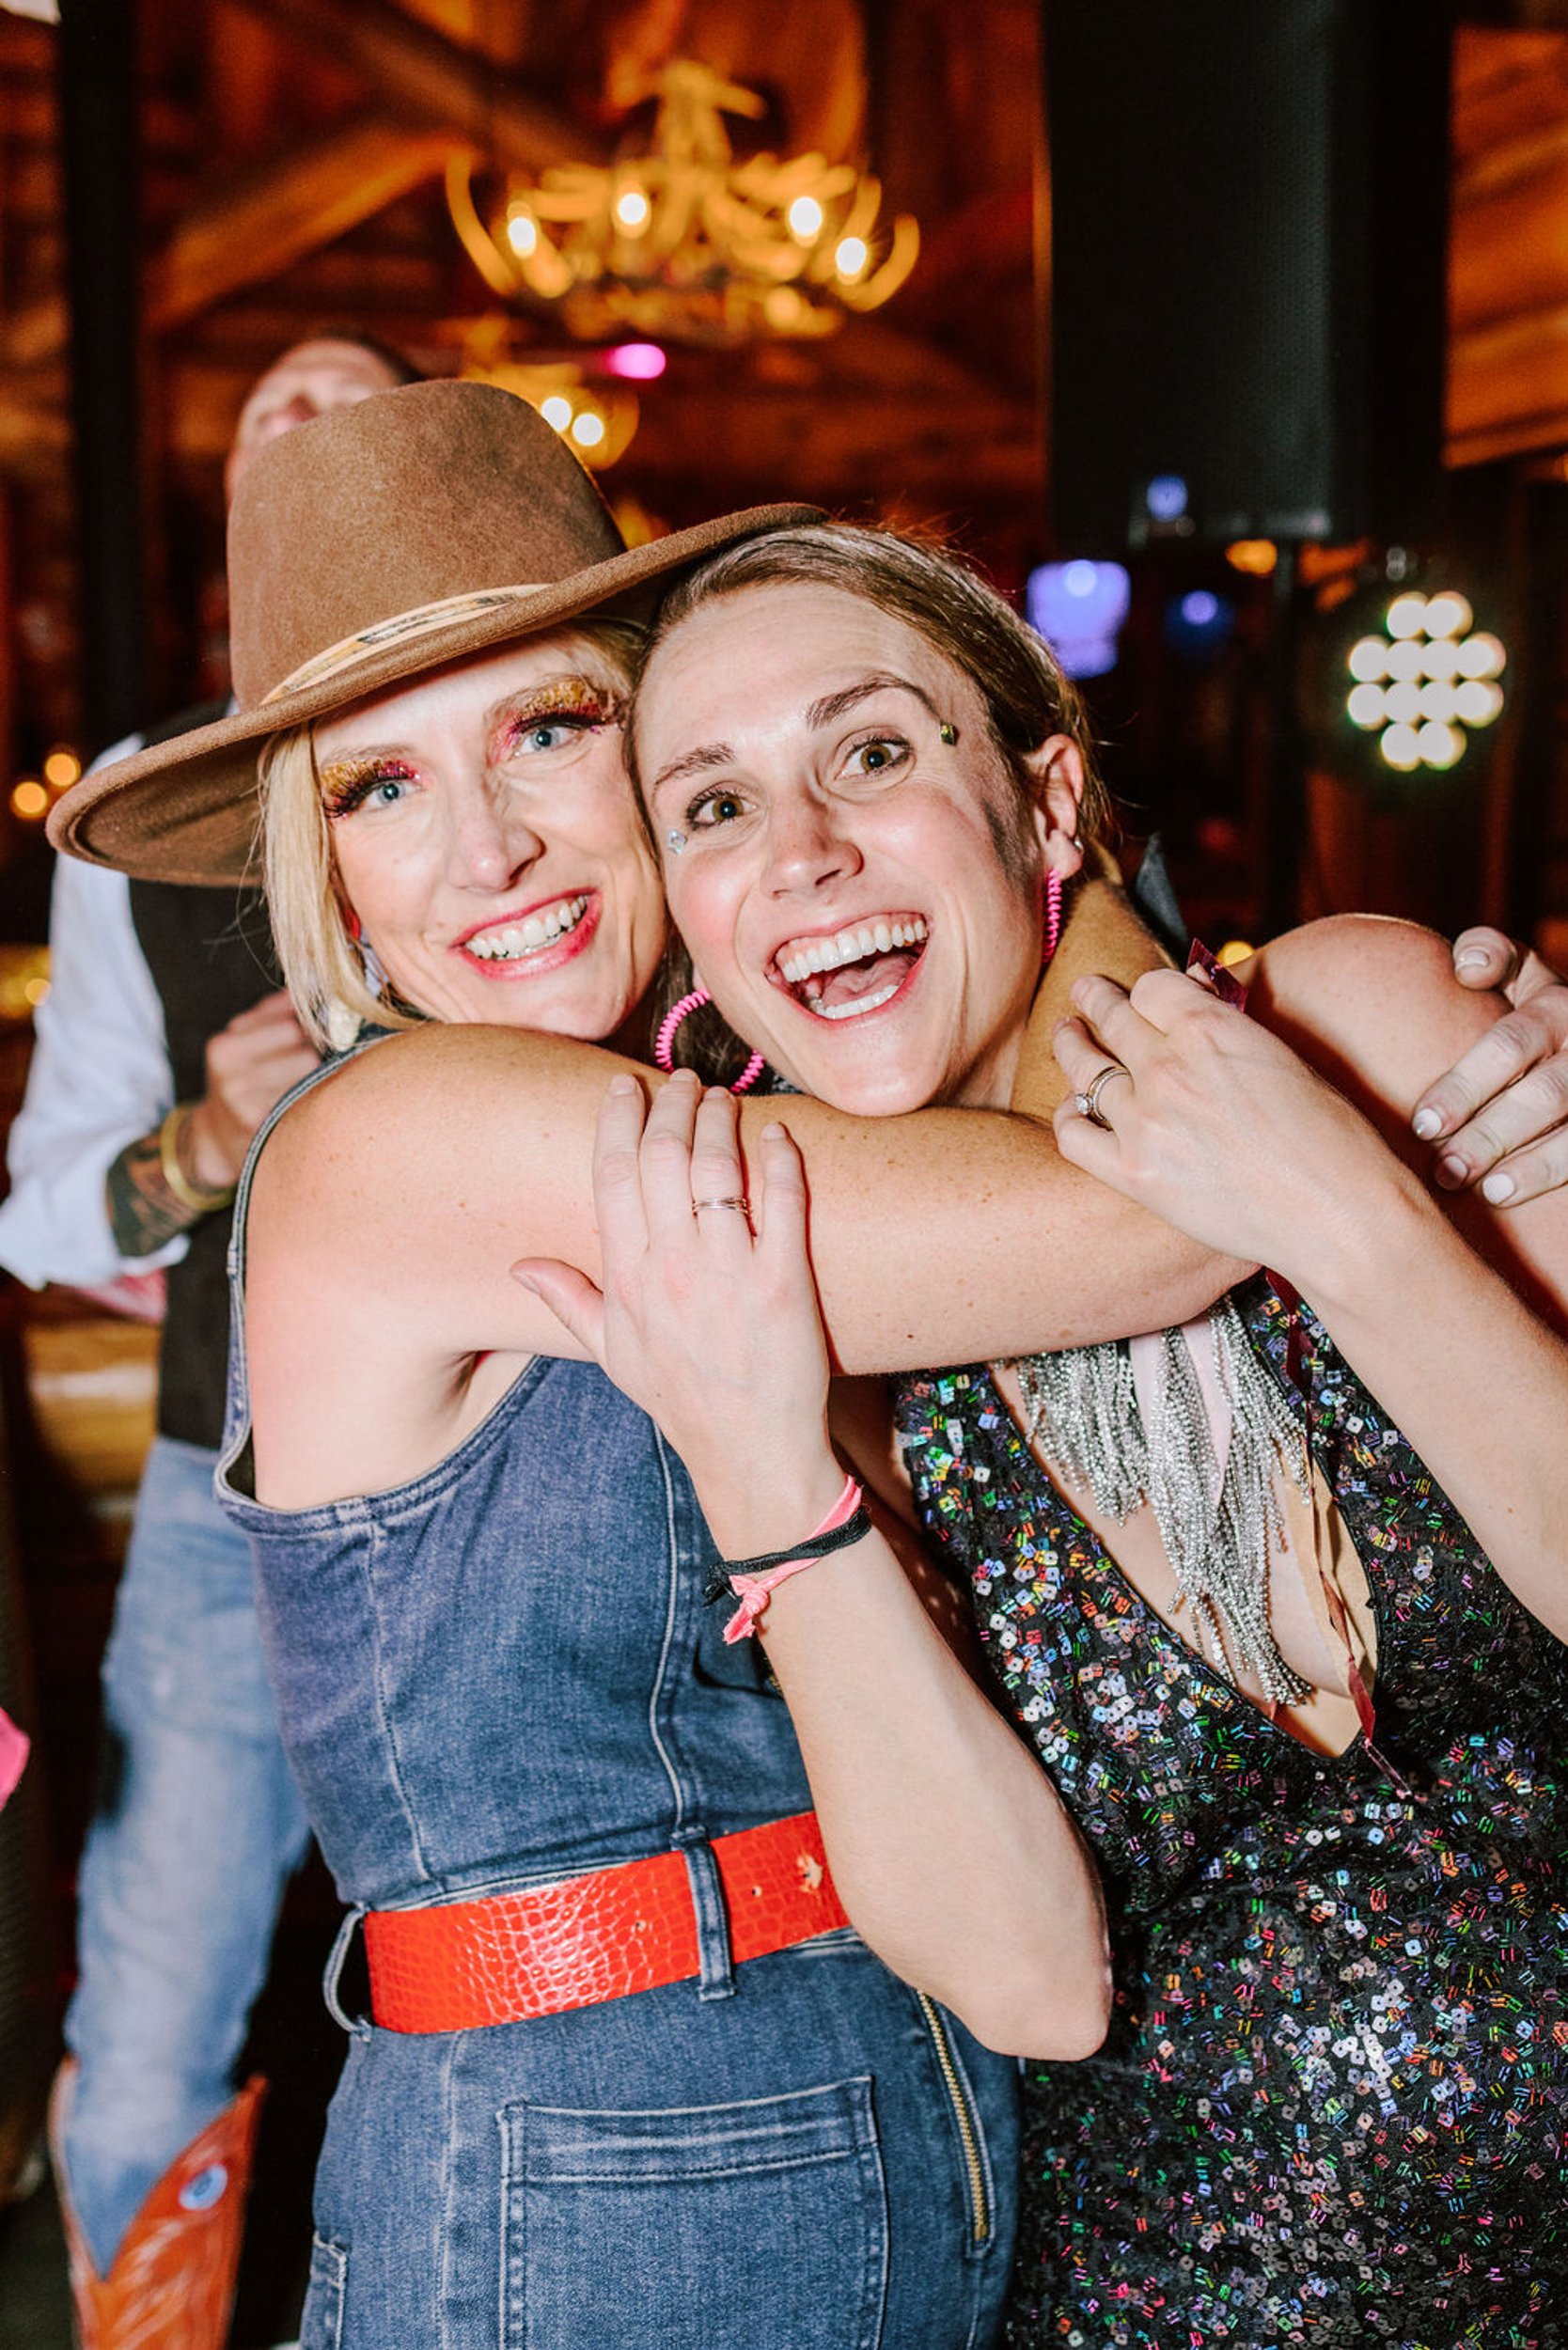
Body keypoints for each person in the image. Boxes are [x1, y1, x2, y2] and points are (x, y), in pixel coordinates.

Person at [52, 391, 1563, 2347]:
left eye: (545, 731)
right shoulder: (396, 1135)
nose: (489, 841)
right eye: (380, 788)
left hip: (924, 2143)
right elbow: (1146, 1206)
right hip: (581, 2185)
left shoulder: (763, 1119)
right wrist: (1366, 1052)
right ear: (323, 876)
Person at [515, 516, 1566, 2348]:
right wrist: (770, 1473)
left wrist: (1354, 1216)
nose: (806, 853)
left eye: (873, 750)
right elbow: (1026, 1981)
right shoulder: (812, 1326)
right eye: (714, 806)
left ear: (1048, 799)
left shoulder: (1360, 1023)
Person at [0, 331, 416, 2347]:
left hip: (524, 1457)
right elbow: (42, 1199)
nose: (306, 426)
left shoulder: (550, 755)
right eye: (269, 408)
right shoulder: (137, 809)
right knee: (153, 2007)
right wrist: (200, 1140)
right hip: (218, 1485)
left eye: (352, 395)